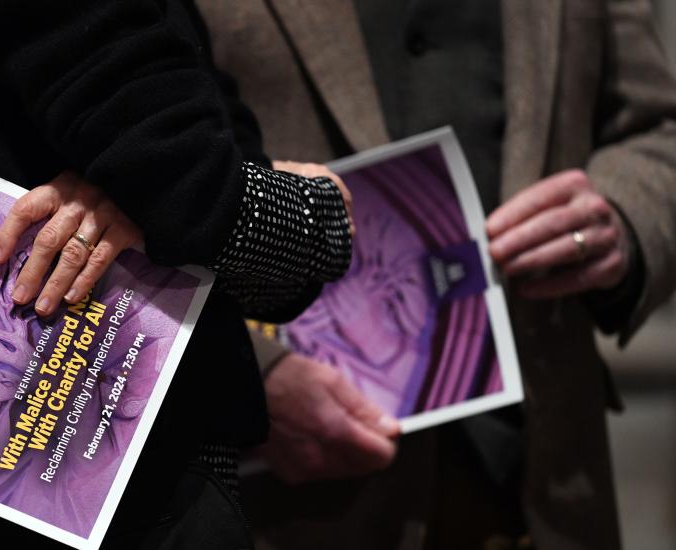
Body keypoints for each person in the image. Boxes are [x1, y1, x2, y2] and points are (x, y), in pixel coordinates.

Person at [0, 1, 354, 548]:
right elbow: (191, 190)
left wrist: (160, 205)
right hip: (131, 495)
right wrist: (321, 214)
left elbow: (190, 180)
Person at [196, 0, 676, 548]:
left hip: (546, 486)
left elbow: (660, 132)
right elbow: (122, 186)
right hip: (303, 502)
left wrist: (625, 217)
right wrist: (246, 375)